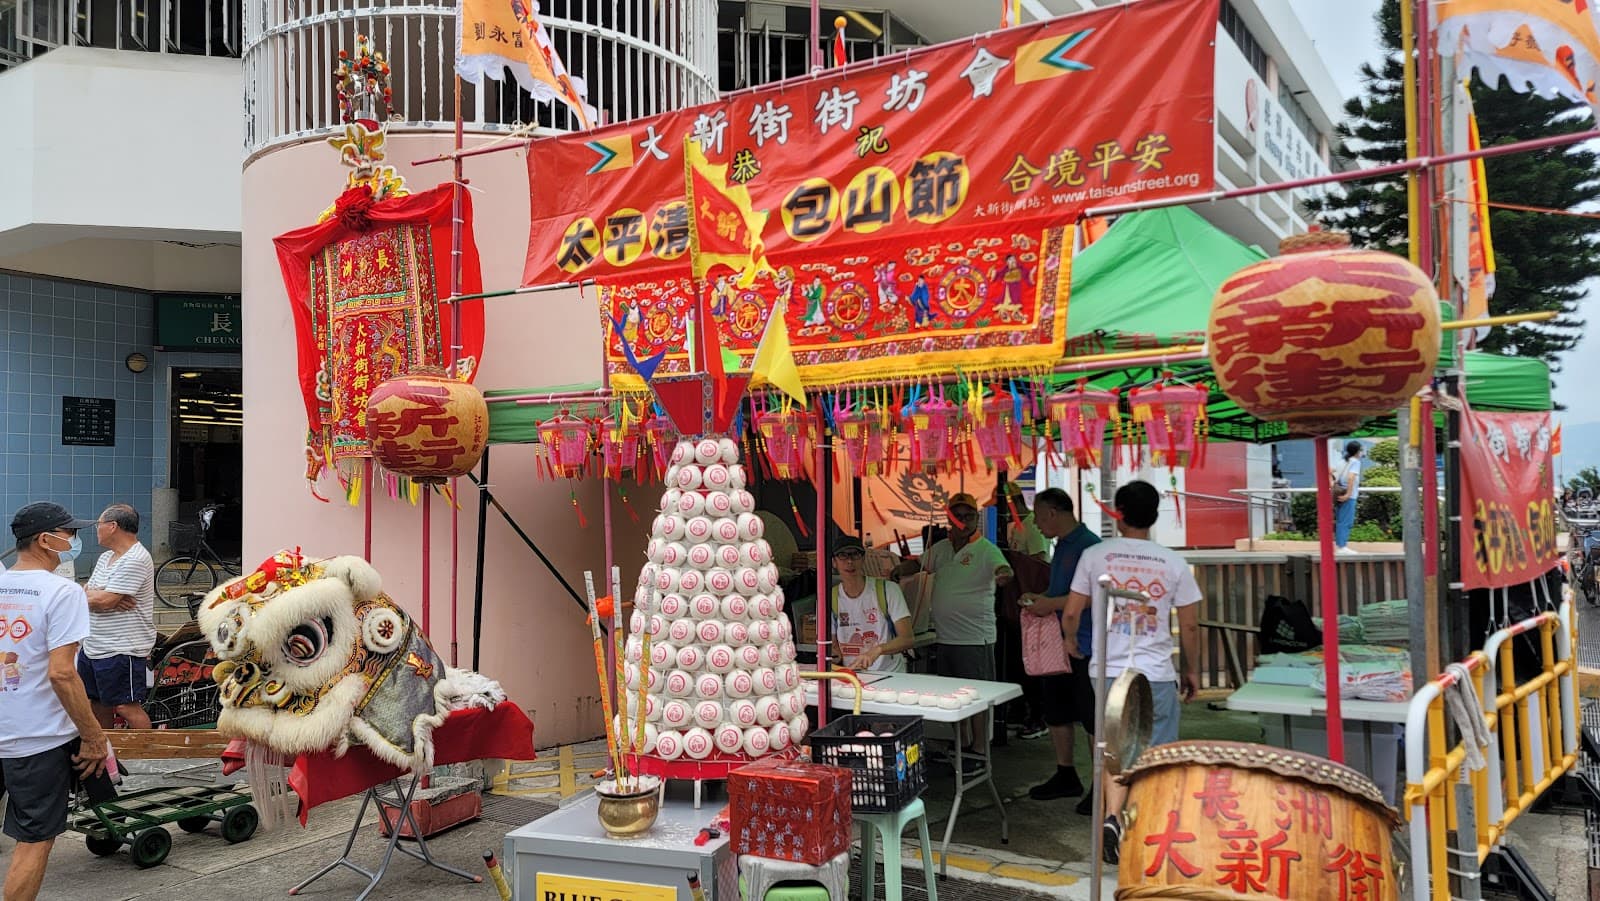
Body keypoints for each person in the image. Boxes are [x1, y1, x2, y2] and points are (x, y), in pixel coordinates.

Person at [1059, 480, 1201, 865]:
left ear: (1118, 513)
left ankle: (1112, 817)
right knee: (1156, 752)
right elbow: (1188, 625)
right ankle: (1148, 831)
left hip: (1106, 668)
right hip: (1155, 672)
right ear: (1154, 515)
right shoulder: (1172, 562)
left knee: (1112, 750)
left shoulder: (1094, 554)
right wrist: (1191, 669)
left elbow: (1072, 612)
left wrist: (1071, 641)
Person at [0, 502, 110, 901]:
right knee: (35, 840)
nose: (73, 540)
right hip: (35, 739)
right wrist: (93, 736)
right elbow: (62, 673)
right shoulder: (63, 592)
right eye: (69, 533)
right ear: (46, 540)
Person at [1019, 488, 1102, 814]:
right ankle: (1066, 773)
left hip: (1085, 645)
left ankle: (1101, 785)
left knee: (1093, 719)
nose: (1036, 525)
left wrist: (1049, 603)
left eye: (1039, 517)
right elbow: (1063, 592)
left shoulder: (1089, 546)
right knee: (1056, 711)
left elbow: (1094, 595)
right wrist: (1038, 598)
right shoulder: (1063, 546)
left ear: (1053, 513)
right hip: (1057, 644)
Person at [922, 492, 1012, 772]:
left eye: (968, 515)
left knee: (978, 695)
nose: (963, 521)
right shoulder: (940, 549)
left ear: (976, 518)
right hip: (946, 636)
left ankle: (980, 749)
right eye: (957, 515)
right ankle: (962, 744)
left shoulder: (986, 549)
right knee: (955, 696)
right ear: (949, 518)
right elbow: (920, 565)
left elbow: (1003, 568)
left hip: (975, 637)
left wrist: (1003, 574)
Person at [78, 504, 156, 730]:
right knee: (96, 703)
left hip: (121, 647)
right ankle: (108, 753)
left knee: (125, 706)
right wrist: (100, 596)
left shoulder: (136, 558)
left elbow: (104, 601)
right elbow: (93, 594)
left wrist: (104, 597)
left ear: (112, 527)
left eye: (98, 525)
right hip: (94, 644)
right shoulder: (105, 558)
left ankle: (144, 757)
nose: (96, 529)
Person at [829, 536, 913, 672]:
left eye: (855, 555)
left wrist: (877, 650)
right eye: (842, 556)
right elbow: (833, 647)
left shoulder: (888, 589)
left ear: (863, 559)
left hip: (891, 674)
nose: (849, 561)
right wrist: (834, 655)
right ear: (834, 562)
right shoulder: (829, 598)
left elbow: (907, 638)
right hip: (853, 677)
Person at [1332, 440, 1365, 554]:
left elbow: (1331, 471)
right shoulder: (1355, 462)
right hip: (1348, 495)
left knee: (1341, 519)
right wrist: (1348, 494)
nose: (1362, 452)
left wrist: (1333, 483)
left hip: (1339, 492)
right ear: (1357, 451)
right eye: (1361, 450)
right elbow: (1351, 478)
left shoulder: (1342, 461)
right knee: (1346, 520)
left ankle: (1340, 545)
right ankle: (1342, 546)